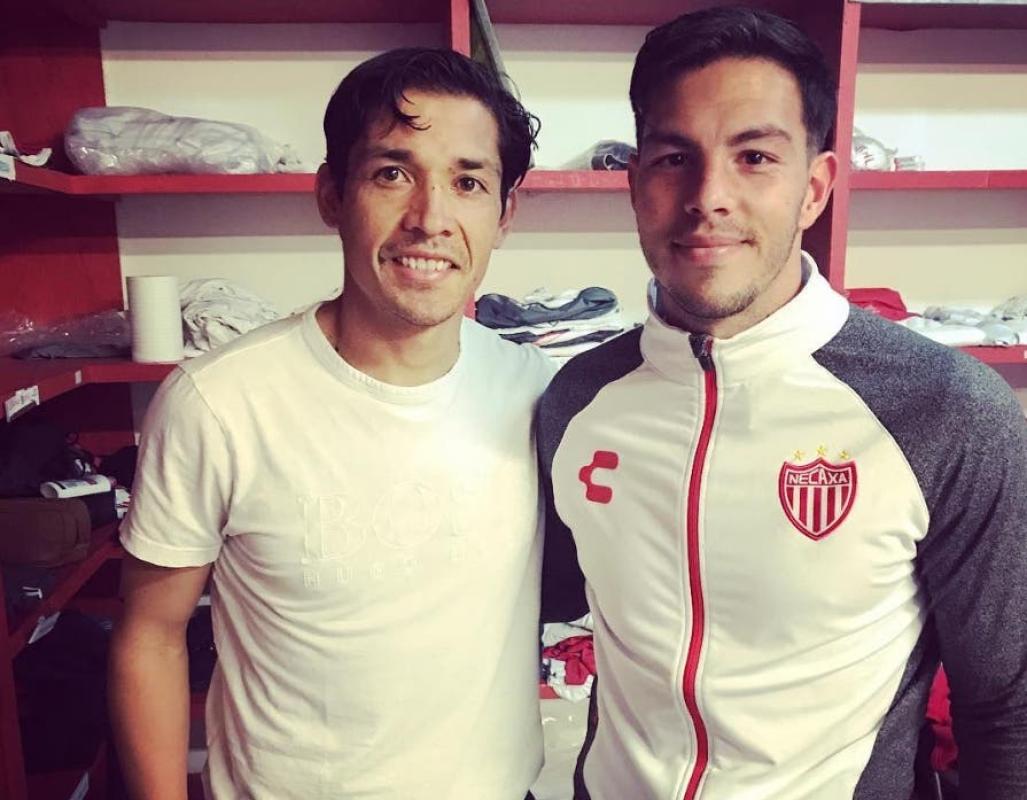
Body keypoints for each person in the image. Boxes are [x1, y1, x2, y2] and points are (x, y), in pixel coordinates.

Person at [539, 7, 1027, 800]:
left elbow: (1008, 710)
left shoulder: (946, 411)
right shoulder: (576, 398)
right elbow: (550, 601)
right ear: (633, 183)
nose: (708, 197)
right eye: (673, 158)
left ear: (814, 188)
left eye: (755, 157)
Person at [110, 48, 555, 800]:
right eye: (392, 173)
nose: (430, 219)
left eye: (468, 182)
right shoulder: (218, 403)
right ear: (330, 194)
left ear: (503, 214)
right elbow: (150, 634)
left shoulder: (535, 390)